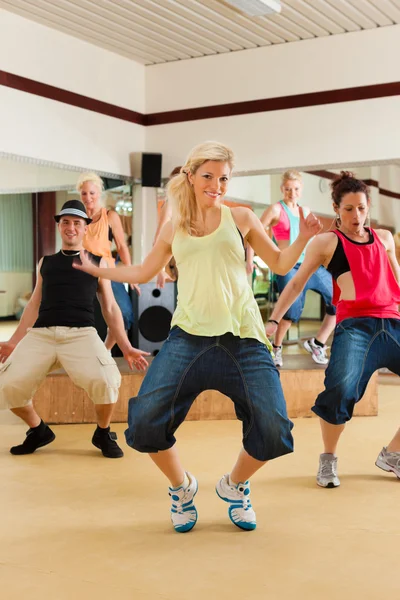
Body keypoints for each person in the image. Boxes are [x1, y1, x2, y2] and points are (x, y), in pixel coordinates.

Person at [74, 141, 321, 532]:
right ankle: (182, 488)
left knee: (274, 430)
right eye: (208, 176)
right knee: (144, 425)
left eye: (223, 178)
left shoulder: (240, 218)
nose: (217, 185)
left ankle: (235, 486)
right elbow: (140, 272)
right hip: (188, 337)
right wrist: (97, 270)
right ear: (190, 177)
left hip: (243, 338)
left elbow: (278, 262)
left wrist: (304, 237)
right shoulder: (174, 228)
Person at [265, 172, 400, 487]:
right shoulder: (326, 242)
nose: (357, 216)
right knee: (339, 391)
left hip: (392, 322)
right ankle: (328, 460)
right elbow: (297, 282)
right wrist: (274, 319)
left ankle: (392, 454)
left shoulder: (383, 238)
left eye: (362, 209)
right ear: (337, 208)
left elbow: (396, 277)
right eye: (349, 209)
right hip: (356, 327)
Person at [0, 200, 149, 458]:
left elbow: (111, 308)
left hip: (82, 333)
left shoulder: (98, 263)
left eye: (77, 223)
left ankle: (102, 432)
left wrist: (125, 347)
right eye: (66, 222)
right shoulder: (45, 262)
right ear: (60, 226)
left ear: (85, 228)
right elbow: (34, 305)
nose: (71, 227)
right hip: (42, 334)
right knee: (8, 383)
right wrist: (13, 341)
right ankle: (38, 430)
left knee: (107, 380)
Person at [256, 170, 336, 367]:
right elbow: (255, 233)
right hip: (288, 265)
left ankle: (317, 344)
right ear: (282, 189)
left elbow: (314, 238)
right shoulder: (276, 209)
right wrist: (253, 260)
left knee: (338, 299)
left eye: (296, 189)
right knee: (290, 312)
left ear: (301, 190)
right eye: (288, 189)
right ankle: (276, 349)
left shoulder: (305, 210)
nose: (292, 193)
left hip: (310, 263)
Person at [77, 172, 138, 349]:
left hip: (107, 272)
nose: (88, 197)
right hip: (83, 273)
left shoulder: (110, 216)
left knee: (124, 314)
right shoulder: (77, 219)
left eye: (92, 193)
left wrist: (130, 274)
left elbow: (122, 247)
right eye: (84, 193)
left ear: (99, 193)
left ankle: (106, 350)